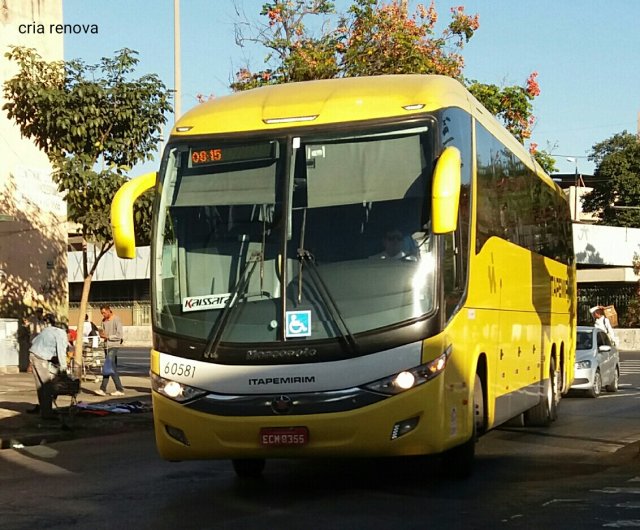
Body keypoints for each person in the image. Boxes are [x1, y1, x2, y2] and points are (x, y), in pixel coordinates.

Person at [28, 313, 69, 419]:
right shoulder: (62, 334)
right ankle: (47, 414)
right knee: (46, 386)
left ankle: (44, 410)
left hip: (33, 354)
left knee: (40, 386)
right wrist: (64, 369)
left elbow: (34, 341)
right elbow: (61, 352)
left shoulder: (48, 330)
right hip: (40, 357)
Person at [95, 304, 125, 396]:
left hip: (114, 345)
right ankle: (104, 389)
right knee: (109, 367)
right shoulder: (103, 321)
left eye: (104, 313)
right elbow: (103, 332)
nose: (103, 315)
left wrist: (108, 337)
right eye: (102, 313)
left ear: (109, 311)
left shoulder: (116, 319)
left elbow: (119, 335)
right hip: (106, 346)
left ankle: (118, 389)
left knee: (110, 365)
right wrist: (101, 334)